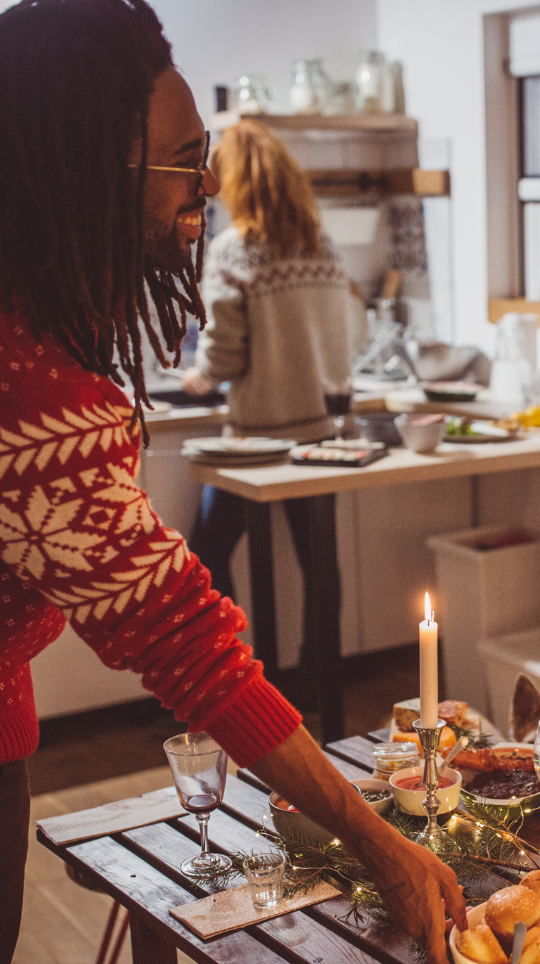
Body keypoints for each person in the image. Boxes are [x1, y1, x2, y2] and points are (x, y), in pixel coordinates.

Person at [0, 2, 463, 964]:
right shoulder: (35, 394)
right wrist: (378, 839)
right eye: (180, 162)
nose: (201, 187)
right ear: (86, 170)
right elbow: (189, 645)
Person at [182, 119, 351, 691]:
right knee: (319, 562)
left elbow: (224, 355)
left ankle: (228, 681)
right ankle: (319, 678)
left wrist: (200, 375)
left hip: (254, 440)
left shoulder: (235, 250)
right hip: (319, 434)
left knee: (205, 558)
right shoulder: (321, 246)